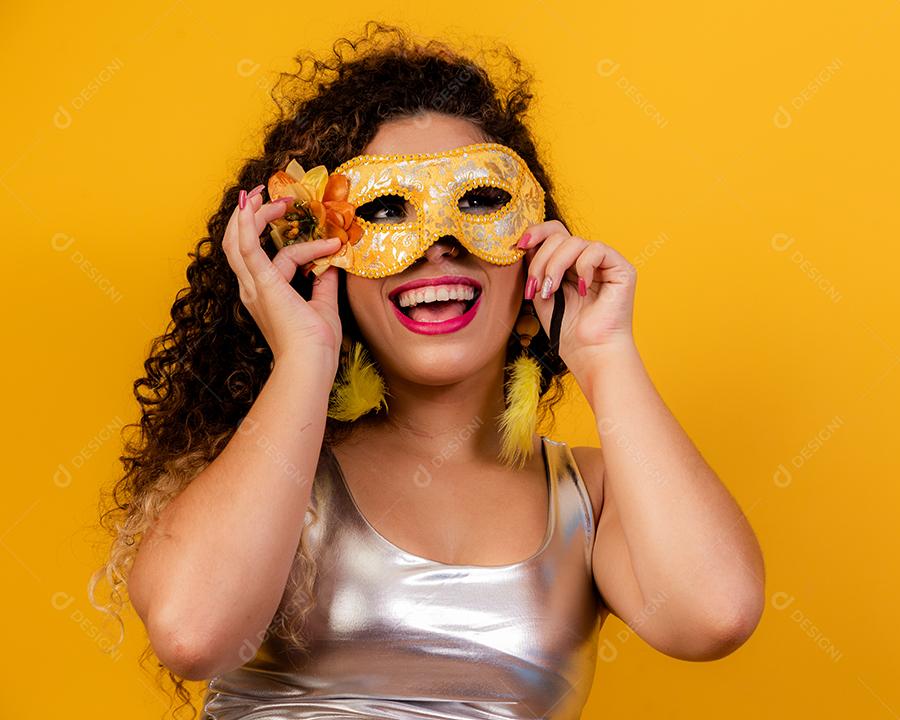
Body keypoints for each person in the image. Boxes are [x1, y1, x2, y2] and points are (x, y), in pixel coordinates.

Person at [91, 21, 765, 720]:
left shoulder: (591, 498)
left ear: (534, 249)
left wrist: (603, 354)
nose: (439, 245)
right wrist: (304, 360)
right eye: (385, 211)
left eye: (479, 202)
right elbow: (192, 633)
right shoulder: (275, 478)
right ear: (322, 254)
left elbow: (713, 615)